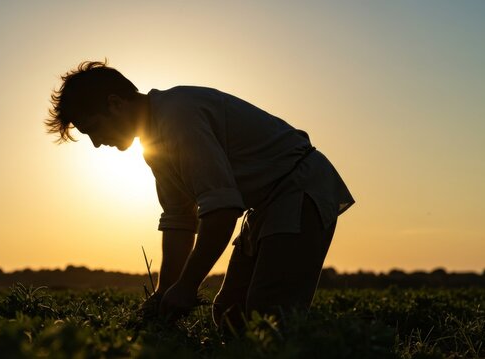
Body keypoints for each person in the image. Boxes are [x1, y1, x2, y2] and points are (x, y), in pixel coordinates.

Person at [46, 61, 354, 328]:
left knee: (269, 316)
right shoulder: (153, 146)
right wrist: (166, 290)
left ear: (115, 103)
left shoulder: (178, 117)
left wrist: (188, 285)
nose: (97, 144)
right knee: (230, 314)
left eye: (93, 129)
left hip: (297, 187)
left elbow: (221, 211)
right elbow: (180, 219)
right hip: (263, 204)